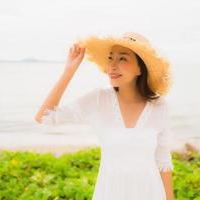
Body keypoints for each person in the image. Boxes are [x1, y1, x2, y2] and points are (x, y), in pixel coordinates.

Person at [34, 32, 175, 200]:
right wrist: (69, 70)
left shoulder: (160, 107)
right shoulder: (98, 99)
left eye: (122, 58)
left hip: (150, 193)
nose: (112, 65)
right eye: (110, 58)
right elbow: (44, 117)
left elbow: (163, 162)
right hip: (110, 192)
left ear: (140, 68)